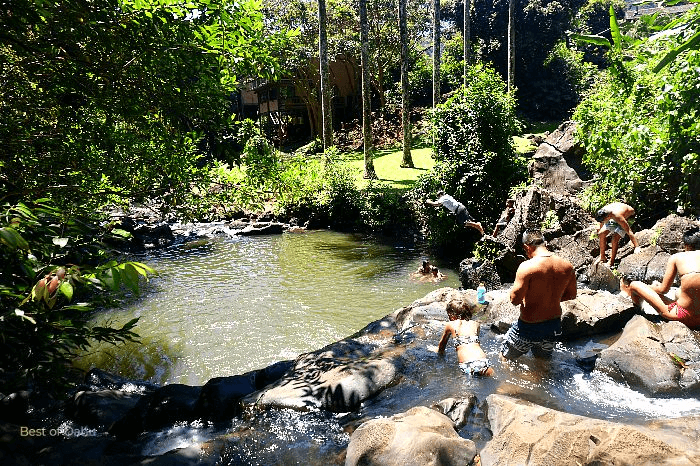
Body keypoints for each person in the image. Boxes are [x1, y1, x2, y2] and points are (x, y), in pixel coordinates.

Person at [501, 230, 577, 361]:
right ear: (544, 243)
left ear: (527, 247)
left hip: (528, 326)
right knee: (542, 363)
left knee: (505, 358)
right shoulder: (567, 266)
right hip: (553, 326)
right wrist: (551, 299)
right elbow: (571, 295)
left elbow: (514, 300)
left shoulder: (527, 267)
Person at [620, 226, 700, 330]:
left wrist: (652, 287)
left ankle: (637, 310)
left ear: (687, 246)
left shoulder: (677, 257)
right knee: (678, 292)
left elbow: (663, 290)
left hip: (684, 316)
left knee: (635, 285)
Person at [436, 298, 494, 377]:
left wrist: (438, 352)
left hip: (467, 363)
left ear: (452, 316)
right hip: (482, 360)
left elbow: (441, 347)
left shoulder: (450, 324)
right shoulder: (476, 324)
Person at [595, 202, 641, 267]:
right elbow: (601, 223)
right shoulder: (604, 211)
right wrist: (601, 233)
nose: (602, 222)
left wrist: (637, 247)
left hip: (629, 217)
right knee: (601, 233)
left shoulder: (618, 216)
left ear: (607, 217)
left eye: (603, 221)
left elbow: (629, 231)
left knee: (614, 239)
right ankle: (602, 257)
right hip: (613, 218)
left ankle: (611, 261)